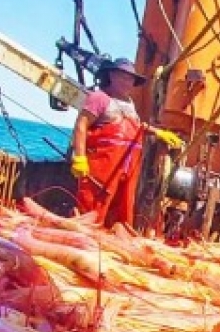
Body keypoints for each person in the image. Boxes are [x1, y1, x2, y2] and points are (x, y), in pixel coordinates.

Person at [70, 58, 183, 228]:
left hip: (128, 167)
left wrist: (157, 132)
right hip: (102, 165)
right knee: (92, 207)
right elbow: (81, 125)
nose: (127, 82)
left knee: (121, 210)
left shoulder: (129, 103)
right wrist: (79, 157)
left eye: (130, 79)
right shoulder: (99, 98)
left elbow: (136, 126)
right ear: (111, 75)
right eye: (123, 77)